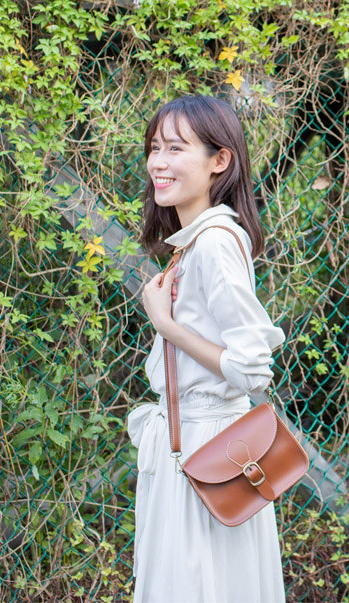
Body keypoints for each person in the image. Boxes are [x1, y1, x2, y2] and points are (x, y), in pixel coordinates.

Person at [125, 95, 287, 602]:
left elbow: (251, 368)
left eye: (176, 148)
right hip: (193, 441)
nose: (158, 162)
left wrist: (166, 326)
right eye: (155, 147)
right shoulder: (195, 242)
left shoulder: (214, 243)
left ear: (220, 160)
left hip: (208, 449)